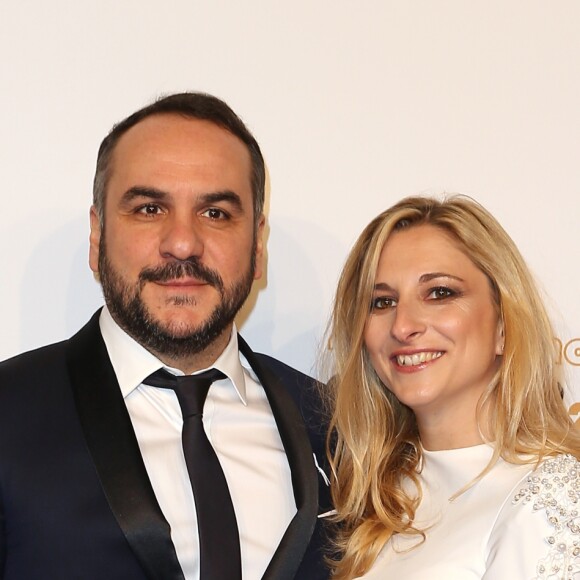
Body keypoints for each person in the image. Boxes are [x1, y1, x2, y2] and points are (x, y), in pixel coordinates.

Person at [0, 93, 331, 580]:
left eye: (216, 213)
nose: (182, 242)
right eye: (150, 208)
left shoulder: (334, 427)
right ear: (97, 236)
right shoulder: (9, 411)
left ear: (258, 245)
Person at [323, 195, 580, 579]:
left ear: (503, 327)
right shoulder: (374, 499)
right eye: (382, 302)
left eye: (440, 293)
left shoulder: (547, 497)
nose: (402, 325)